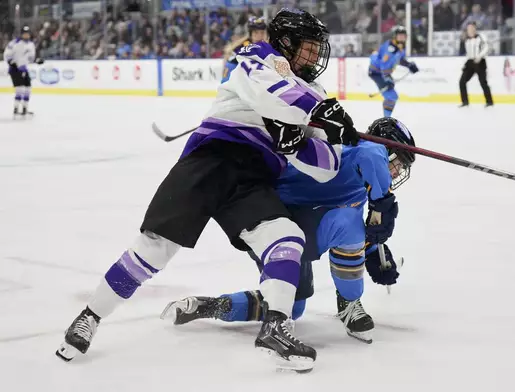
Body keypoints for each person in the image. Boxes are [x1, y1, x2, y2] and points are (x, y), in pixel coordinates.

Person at [55, 8, 359, 373]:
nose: (315, 56)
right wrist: (319, 112)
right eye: (309, 48)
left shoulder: (315, 91)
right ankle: (90, 316)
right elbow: (274, 95)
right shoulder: (259, 56)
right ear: (287, 43)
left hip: (253, 178)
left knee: (286, 237)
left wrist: (298, 144)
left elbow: (327, 166)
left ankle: (276, 326)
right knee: (154, 249)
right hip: (212, 159)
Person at [160, 117, 415, 345]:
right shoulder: (359, 151)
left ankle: (210, 306)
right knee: (348, 223)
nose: (397, 171)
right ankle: (349, 304)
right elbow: (371, 157)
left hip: (290, 228)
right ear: (385, 149)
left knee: (292, 307)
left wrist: (374, 250)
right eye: (397, 162)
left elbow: (354, 230)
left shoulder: (362, 183)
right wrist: (383, 202)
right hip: (274, 224)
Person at [368, 26, 419, 117]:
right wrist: (387, 77)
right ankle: (386, 120)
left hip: (380, 73)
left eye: (403, 35)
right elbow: (383, 64)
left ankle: (387, 119)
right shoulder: (390, 48)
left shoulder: (399, 47)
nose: (402, 37)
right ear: (395, 36)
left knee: (392, 96)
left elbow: (399, 60)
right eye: (400, 35)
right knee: (391, 96)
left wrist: (409, 65)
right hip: (376, 73)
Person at [3, 26, 43, 117]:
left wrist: (37, 61)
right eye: (24, 33)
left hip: (24, 68)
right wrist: (10, 62)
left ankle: (25, 108)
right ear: (21, 34)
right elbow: (7, 54)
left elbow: (30, 59)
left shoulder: (31, 45)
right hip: (15, 69)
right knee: (20, 88)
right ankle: (16, 108)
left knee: (28, 88)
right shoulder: (14, 43)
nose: (26, 35)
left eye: (27, 33)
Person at [221, 17, 268, 83]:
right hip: (233, 75)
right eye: (256, 32)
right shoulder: (244, 46)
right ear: (250, 34)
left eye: (262, 33)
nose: (259, 36)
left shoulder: (265, 46)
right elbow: (228, 60)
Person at [459, 22, 493, 107]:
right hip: (470, 62)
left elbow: (487, 47)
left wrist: (480, 56)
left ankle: (489, 101)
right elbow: (467, 52)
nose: (470, 30)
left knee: (483, 82)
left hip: (480, 62)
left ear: (475, 28)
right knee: (462, 81)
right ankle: (465, 101)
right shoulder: (466, 39)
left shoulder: (481, 37)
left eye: (471, 28)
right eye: (468, 29)